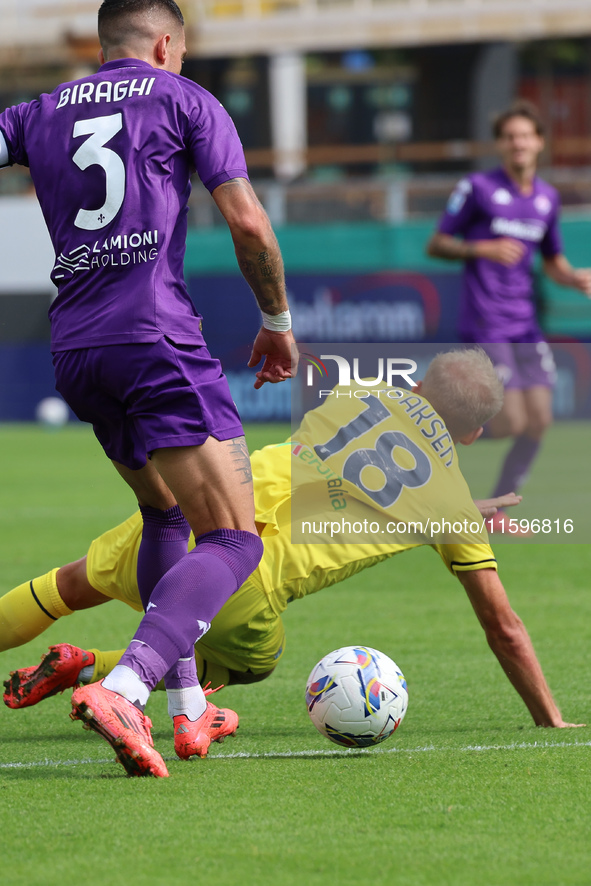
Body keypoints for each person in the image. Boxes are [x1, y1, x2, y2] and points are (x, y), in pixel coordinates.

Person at [0, 0, 297, 777]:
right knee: (235, 537)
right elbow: (249, 224)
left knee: (162, 512)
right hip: (155, 339)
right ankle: (124, 688)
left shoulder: (37, 111)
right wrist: (276, 319)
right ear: (167, 44)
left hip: (76, 350)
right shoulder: (185, 99)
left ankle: (187, 709)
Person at [2, 350, 581, 733]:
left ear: (419, 381)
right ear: (476, 435)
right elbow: (503, 626)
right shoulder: (450, 509)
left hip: (207, 503)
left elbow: (356, 466)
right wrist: (550, 719)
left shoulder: (365, 387)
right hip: (242, 579)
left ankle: (85, 662)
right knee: (256, 660)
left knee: (69, 585)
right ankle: (97, 673)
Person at [426, 101, 591, 528]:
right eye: (510, 136)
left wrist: (575, 279)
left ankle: (495, 511)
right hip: (486, 323)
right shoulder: (478, 188)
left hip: (526, 324)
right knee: (511, 419)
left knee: (540, 420)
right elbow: (437, 243)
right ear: (500, 144)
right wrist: (480, 247)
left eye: (525, 135)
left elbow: (552, 260)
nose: (518, 142)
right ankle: (428, 446)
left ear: (539, 142)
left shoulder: (546, 198)